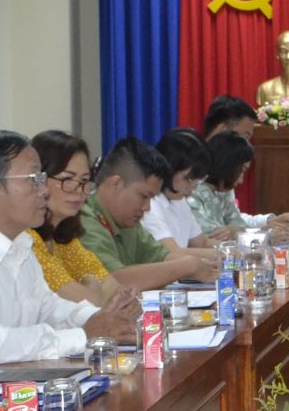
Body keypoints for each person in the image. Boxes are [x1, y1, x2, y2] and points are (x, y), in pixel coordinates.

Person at [0, 131, 134, 372]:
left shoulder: (19, 240)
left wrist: (97, 318)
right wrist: (83, 336)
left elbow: (46, 308)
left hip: (8, 378)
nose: (44, 190)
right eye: (33, 179)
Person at [82, 138, 205, 289]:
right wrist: (187, 266)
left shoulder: (127, 221)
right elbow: (113, 281)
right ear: (116, 184)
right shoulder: (84, 221)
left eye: (151, 199)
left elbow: (162, 256)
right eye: (144, 196)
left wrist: (205, 265)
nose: (147, 208)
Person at [28, 130, 119, 307]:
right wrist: (91, 283)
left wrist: (92, 290)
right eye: (67, 179)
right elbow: (90, 303)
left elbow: (116, 292)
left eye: (84, 181)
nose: (79, 190)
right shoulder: (27, 239)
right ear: (39, 180)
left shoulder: (64, 240)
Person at [188, 133, 289, 242]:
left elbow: (238, 225)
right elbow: (212, 235)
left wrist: (263, 229)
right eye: (241, 171)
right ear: (227, 166)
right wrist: (261, 235)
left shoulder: (223, 191)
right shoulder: (191, 190)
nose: (241, 180)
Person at [145, 128, 223, 270]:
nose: (194, 187)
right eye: (189, 179)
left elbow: (201, 243)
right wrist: (226, 254)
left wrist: (239, 248)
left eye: (198, 180)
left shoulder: (179, 199)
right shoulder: (149, 203)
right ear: (169, 169)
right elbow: (172, 252)